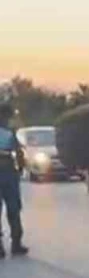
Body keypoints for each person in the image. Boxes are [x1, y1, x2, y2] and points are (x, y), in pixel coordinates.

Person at [0, 103, 28, 258]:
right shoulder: (10, 133)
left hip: (8, 172)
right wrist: (21, 169)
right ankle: (16, 243)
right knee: (14, 209)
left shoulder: (10, 132)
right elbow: (19, 153)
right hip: (8, 172)